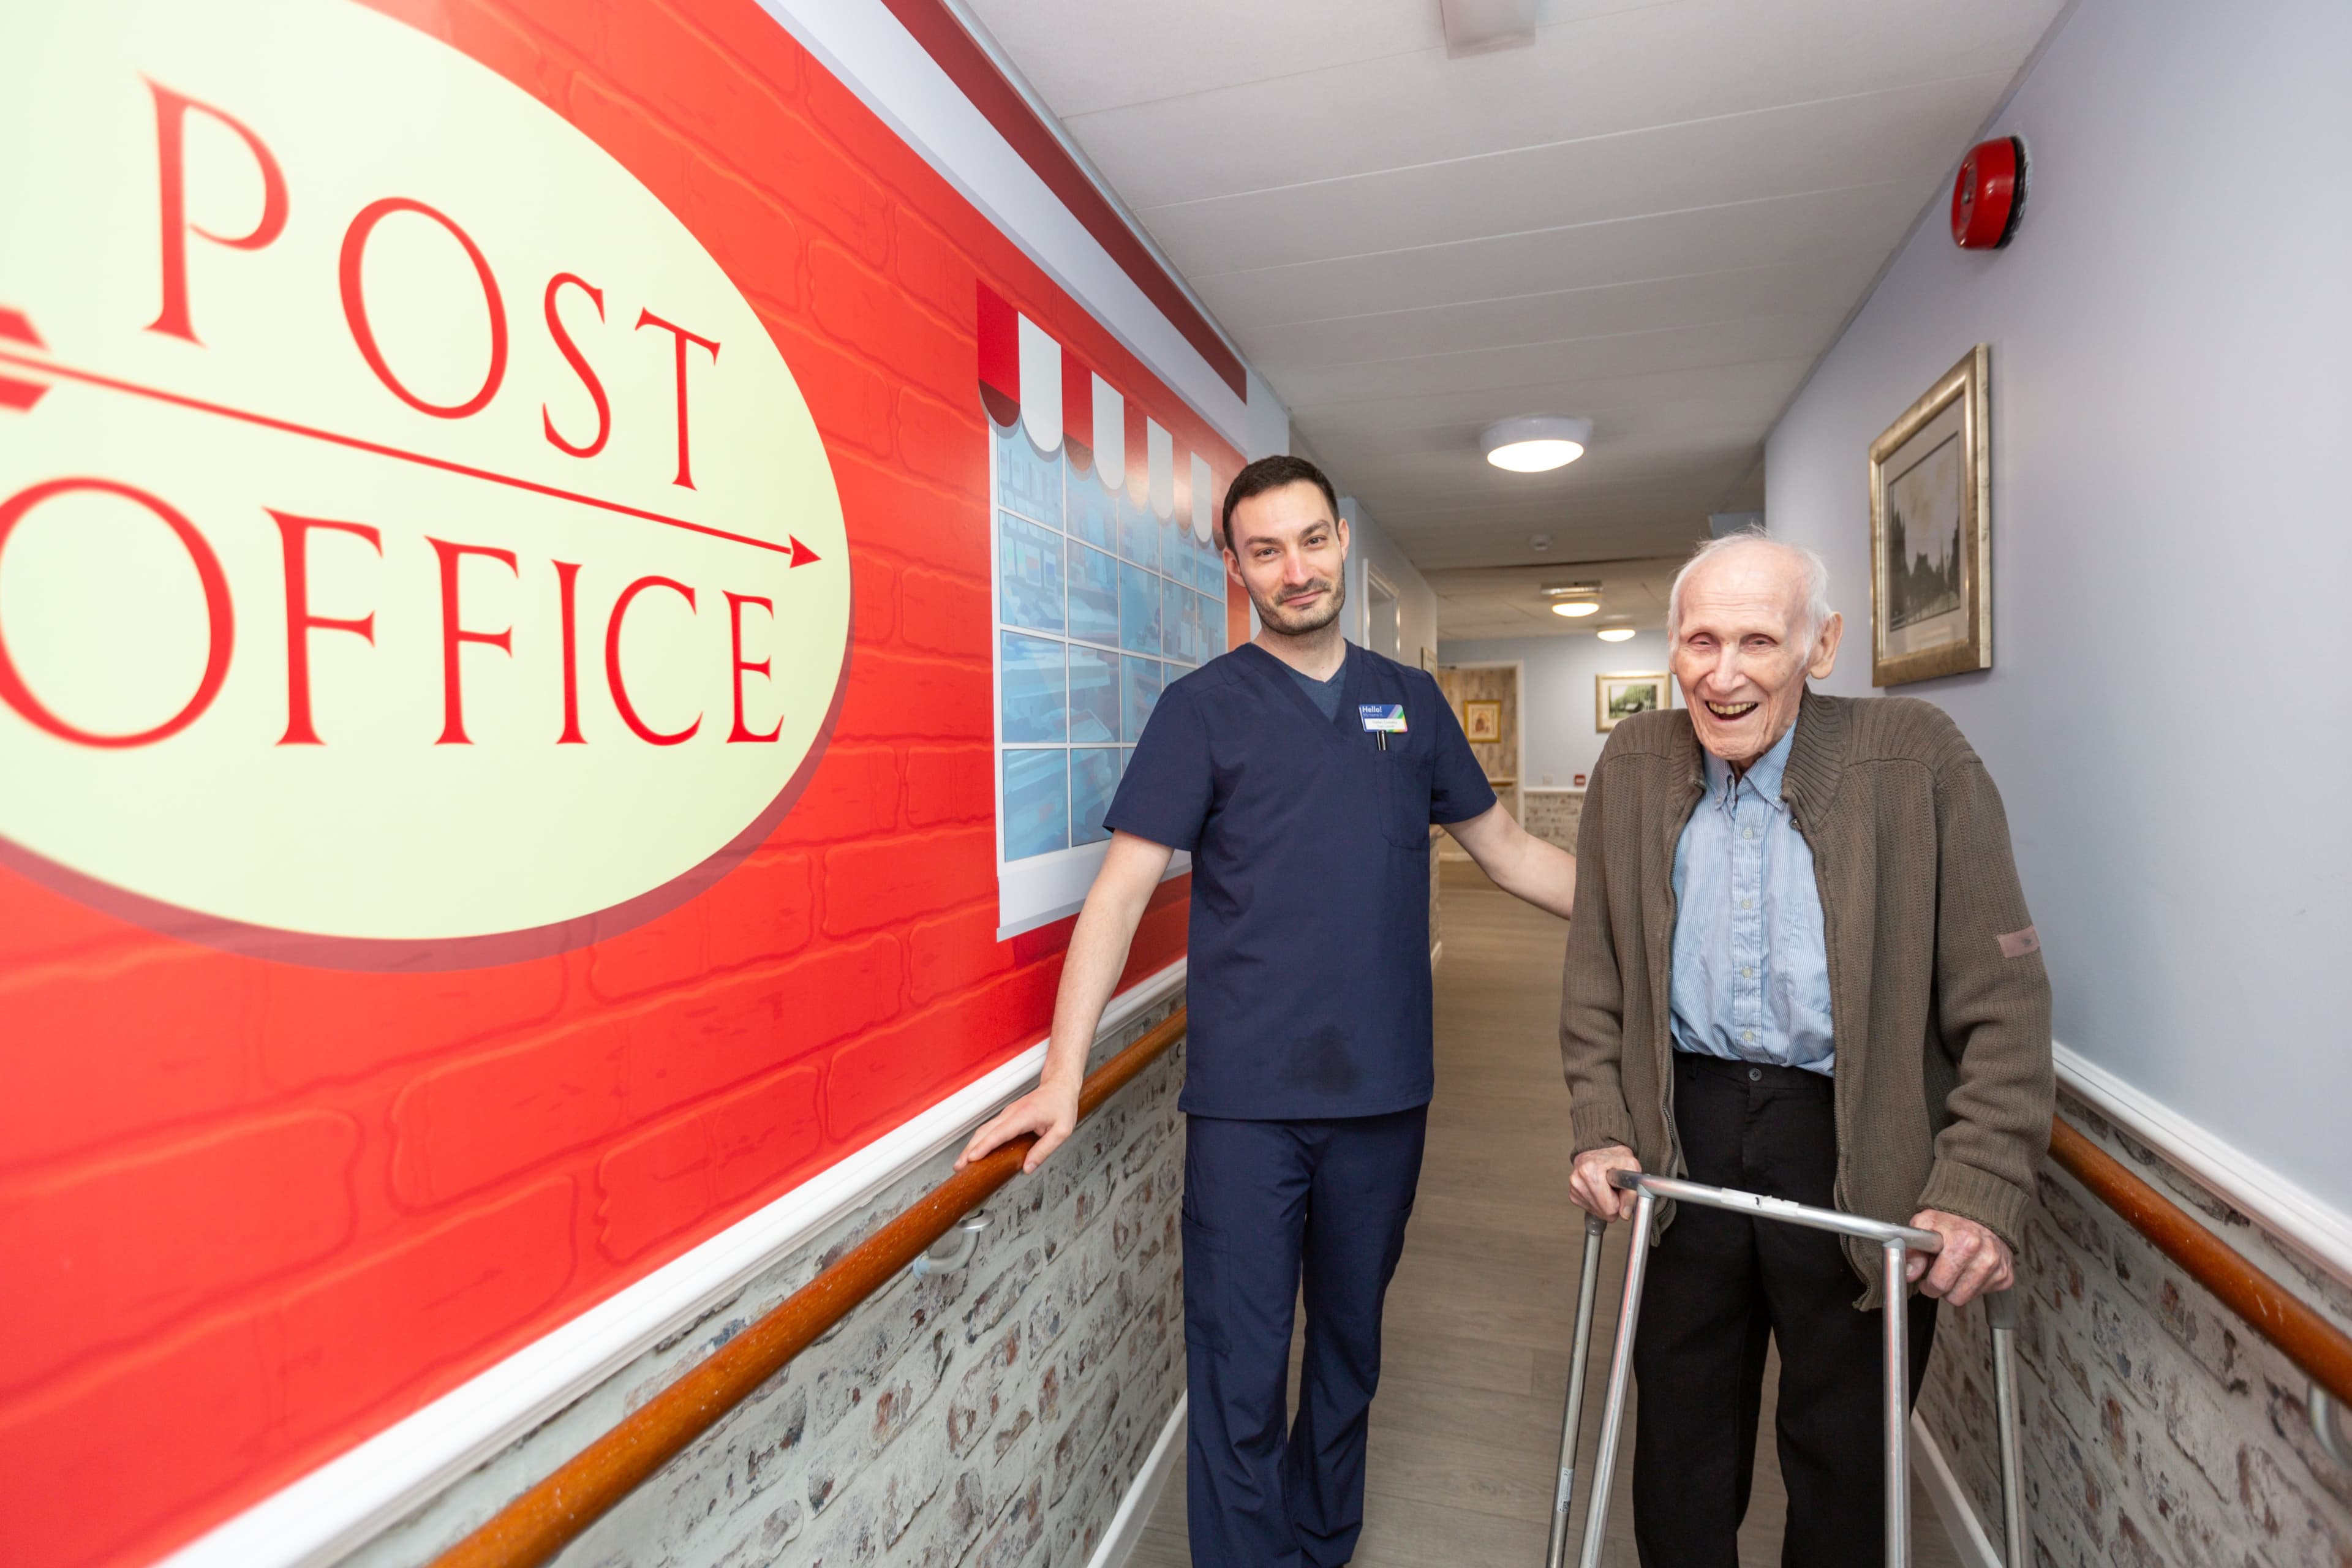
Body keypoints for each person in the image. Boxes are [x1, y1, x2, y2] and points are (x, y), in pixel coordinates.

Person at [959, 454, 1578, 1568]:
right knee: (1239, 1369)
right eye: (1265, 552)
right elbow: (1118, 895)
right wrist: (1061, 1076)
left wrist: (1668, 920)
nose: (1294, 569)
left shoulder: (1412, 702)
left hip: (1386, 1094)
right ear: (1237, 569)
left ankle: (1322, 1542)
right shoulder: (1202, 711)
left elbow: (1514, 854)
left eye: (1310, 541)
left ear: (1342, 541)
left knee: (1349, 1353)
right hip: (1247, 1106)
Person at [1559, 530, 2052, 1568]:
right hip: (1683, 1132)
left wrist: (1981, 1178)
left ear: (1820, 646)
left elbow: (2004, 1002)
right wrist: (1601, 1124)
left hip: (1854, 1131)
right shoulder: (1636, 763)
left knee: (1848, 1448)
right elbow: (1596, 974)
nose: (1724, 673)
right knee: (1681, 1436)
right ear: (1672, 648)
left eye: (1758, 641)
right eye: (1700, 640)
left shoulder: (1917, 758)